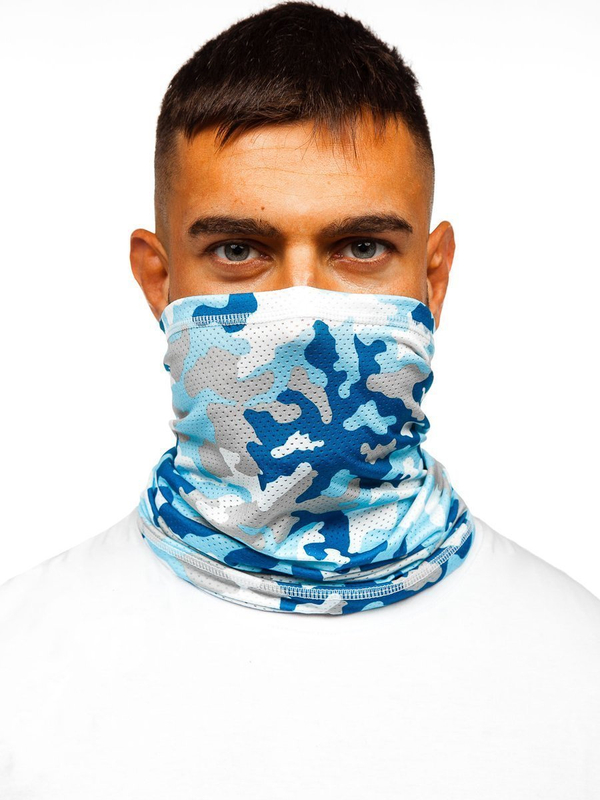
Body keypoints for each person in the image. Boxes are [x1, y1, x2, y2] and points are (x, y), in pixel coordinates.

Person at [1, 1, 599, 797]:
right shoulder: (18, 667)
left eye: (362, 247)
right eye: (238, 249)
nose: (301, 309)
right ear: (159, 280)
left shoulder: (580, 668)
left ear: (434, 277)